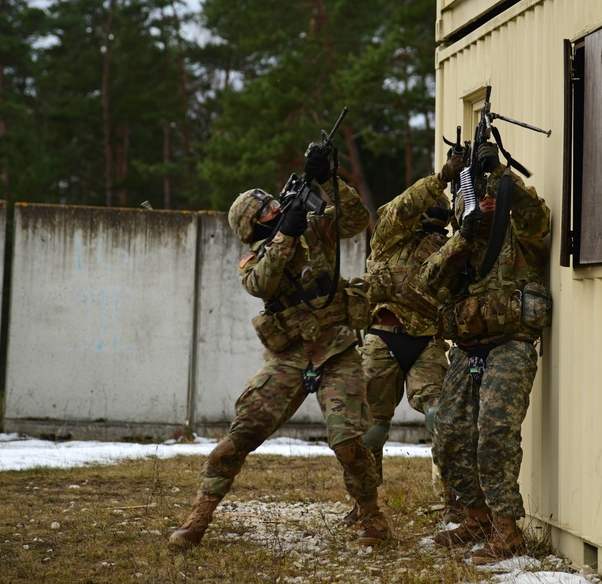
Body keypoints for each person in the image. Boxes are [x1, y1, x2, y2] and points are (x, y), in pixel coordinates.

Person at [168, 149, 391, 549]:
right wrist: (284, 234)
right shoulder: (252, 262)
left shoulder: (314, 228)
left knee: (347, 442)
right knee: (238, 437)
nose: (276, 207)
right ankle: (197, 520)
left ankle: (372, 520)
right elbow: (263, 285)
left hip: (336, 349)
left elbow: (356, 220)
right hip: (290, 356)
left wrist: (330, 179)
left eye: (274, 202)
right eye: (267, 210)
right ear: (253, 228)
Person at [418, 142, 552, 565]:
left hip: (511, 345)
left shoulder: (519, 237)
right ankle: (476, 519)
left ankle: (507, 530)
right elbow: (429, 281)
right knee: (449, 432)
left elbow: (537, 218)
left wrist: (503, 178)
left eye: (493, 196)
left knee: (494, 430)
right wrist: (463, 238)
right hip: (467, 350)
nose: (488, 200)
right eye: (480, 195)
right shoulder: (459, 246)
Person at [342, 152, 466, 526]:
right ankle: (365, 507)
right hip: (384, 337)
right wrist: (442, 176)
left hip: (426, 342)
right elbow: (399, 209)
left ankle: (455, 501)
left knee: (440, 417)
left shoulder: (447, 250)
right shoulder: (389, 236)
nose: (433, 222)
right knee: (372, 428)